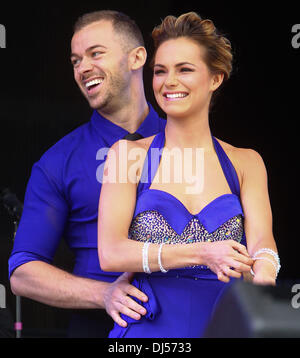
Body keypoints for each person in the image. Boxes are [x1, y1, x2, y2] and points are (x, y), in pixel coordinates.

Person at [98, 12, 280, 338]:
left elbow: (263, 243)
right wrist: (203, 252)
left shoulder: (245, 162)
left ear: (216, 78)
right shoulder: (128, 156)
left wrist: (264, 277)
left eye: (185, 70)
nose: (169, 81)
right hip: (148, 329)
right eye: (160, 71)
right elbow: (110, 253)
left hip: (226, 324)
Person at [8, 10, 166, 337]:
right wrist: (104, 294)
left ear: (137, 57)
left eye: (96, 53)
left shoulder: (195, 145)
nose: (82, 68)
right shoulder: (58, 162)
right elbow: (23, 273)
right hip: (100, 329)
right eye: (76, 60)